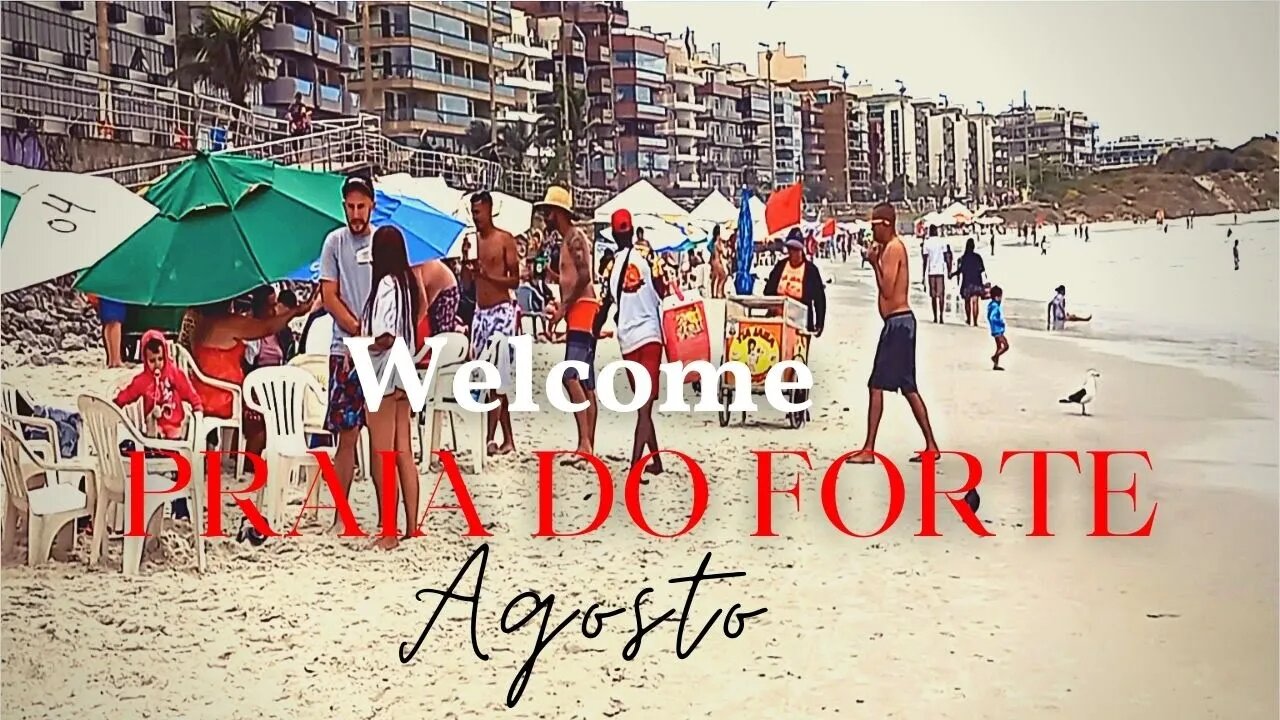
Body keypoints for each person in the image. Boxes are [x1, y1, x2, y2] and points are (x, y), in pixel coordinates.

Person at [850, 204, 959, 509]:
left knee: (877, 385)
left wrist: (873, 262)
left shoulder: (893, 248)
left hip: (898, 324)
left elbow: (887, 288)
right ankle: (932, 445)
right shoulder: (890, 248)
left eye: (875, 226)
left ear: (887, 225)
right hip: (898, 324)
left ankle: (870, 448)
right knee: (908, 388)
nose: (872, 232)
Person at [190, 293, 315, 462]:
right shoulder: (230, 323)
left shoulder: (200, 323)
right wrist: (295, 312)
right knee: (266, 408)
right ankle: (249, 461)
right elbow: (267, 328)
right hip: (223, 397)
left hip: (201, 391)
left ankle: (230, 455)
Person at [361, 226, 423, 551]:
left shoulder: (385, 285)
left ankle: (389, 531)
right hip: (404, 371)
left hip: (383, 371)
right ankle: (412, 527)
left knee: (382, 454)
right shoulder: (406, 284)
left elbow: (384, 336)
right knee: (404, 454)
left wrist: (360, 344)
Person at [318, 175, 377, 520]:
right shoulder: (334, 243)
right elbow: (329, 296)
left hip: (380, 350)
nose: (356, 213)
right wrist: (358, 330)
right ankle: (341, 513)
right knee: (347, 435)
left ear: (372, 206)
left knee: (386, 436)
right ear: (344, 207)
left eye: (361, 206)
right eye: (351, 207)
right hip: (345, 348)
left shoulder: (382, 240)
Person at [596, 209, 668, 477]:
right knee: (645, 407)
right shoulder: (649, 256)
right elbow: (662, 289)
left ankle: (636, 465)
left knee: (643, 405)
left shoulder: (609, 266)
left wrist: (592, 333)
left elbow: (604, 305)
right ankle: (653, 463)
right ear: (633, 229)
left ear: (614, 234)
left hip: (627, 340)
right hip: (650, 335)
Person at [541, 186, 600, 462]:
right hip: (582, 308)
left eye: (548, 212)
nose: (545, 216)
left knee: (570, 375)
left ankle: (584, 443)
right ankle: (588, 444)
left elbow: (585, 275)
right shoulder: (569, 239)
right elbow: (575, 274)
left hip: (582, 308)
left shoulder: (575, 237)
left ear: (558, 213)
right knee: (585, 380)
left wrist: (565, 307)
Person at [470, 190, 520, 456]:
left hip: (501, 311)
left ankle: (490, 437)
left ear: (489, 210)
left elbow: (515, 281)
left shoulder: (504, 240)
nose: (475, 217)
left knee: (497, 376)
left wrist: (488, 276)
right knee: (486, 379)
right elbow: (471, 282)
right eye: (473, 212)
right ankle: (508, 439)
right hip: (480, 312)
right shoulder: (472, 241)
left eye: (478, 211)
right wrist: (470, 273)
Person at [115, 331, 203, 441]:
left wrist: (197, 405)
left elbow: (188, 390)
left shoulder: (174, 373)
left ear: (165, 355)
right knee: (153, 438)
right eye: (152, 360)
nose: (157, 364)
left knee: (176, 438)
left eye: (160, 359)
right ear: (145, 360)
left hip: (175, 423)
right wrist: (116, 403)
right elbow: (129, 393)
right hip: (154, 425)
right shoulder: (143, 380)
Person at [762, 228, 826, 335]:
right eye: (791, 249)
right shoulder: (780, 266)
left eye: (796, 249)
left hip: (801, 322)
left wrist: (819, 324)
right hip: (778, 318)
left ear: (802, 250)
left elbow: (819, 299)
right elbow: (768, 291)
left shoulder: (811, 271)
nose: (793, 252)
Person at [416, 259, 461, 336]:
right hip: (434, 287)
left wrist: (412, 326)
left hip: (447, 289)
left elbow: (423, 303)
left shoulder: (414, 266)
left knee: (441, 333)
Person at [950, 237, 986, 327]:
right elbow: (982, 269)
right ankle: (975, 321)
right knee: (975, 301)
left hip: (967, 282)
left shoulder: (964, 258)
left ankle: (969, 319)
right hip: (977, 281)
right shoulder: (978, 257)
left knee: (967, 302)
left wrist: (952, 274)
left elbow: (960, 270)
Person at [922, 228, 951, 323]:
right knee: (941, 295)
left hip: (931, 272)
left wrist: (923, 275)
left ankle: (935, 317)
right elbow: (947, 256)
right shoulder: (941, 241)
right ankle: (941, 316)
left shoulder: (927, 243)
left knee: (933, 296)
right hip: (940, 271)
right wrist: (949, 270)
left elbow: (925, 260)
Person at [91, 294, 126, 368]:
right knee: (116, 322)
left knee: (108, 323)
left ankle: (111, 359)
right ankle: (116, 359)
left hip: (104, 291)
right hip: (115, 291)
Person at [987, 286, 1008, 370]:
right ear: (997, 297)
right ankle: (995, 357)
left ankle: (995, 365)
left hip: (995, 329)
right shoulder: (995, 306)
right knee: (1006, 346)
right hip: (997, 329)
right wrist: (1000, 322)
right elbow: (992, 317)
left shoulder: (991, 305)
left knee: (999, 347)